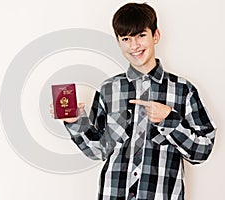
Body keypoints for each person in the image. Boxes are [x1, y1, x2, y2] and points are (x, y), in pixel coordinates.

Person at [62, 2, 216, 200]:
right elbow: (97, 150)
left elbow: (202, 151)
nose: (134, 46)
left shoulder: (182, 90)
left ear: (155, 36)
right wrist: (75, 121)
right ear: (118, 42)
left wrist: (169, 120)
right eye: (126, 38)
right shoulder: (109, 89)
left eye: (141, 35)